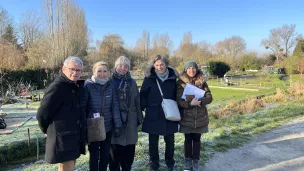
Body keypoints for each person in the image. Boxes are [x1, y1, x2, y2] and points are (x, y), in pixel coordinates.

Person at [36, 56, 86, 171]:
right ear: (63, 69)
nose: (75, 72)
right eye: (72, 69)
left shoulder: (74, 85)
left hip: (72, 136)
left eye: (78, 70)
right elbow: (42, 114)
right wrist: (45, 130)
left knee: (70, 165)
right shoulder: (57, 87)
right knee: (67, 167)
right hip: (62, 138)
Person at [140, 55, 179, 171]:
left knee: (170, 141)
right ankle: (154, 164)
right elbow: (143, 95)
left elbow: (177, 95)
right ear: (153, 66)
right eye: (156, 65)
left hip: (169, 113)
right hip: (153, 113)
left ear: (166, 65)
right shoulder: (149, 78)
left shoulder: (173, 78)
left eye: (162, 64)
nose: (159, 67)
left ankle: (170, 162)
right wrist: (144, 108)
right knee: (153, 142)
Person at [82, 61, 122, 171]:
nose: (102, 74)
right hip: (93, 126)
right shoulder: (88, 86)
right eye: (99, 71)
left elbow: (115, 106)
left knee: (105, 155)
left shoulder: (111, 86)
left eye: (105, 71)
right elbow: (83, 107)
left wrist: (117, 124)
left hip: (107, 126)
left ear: (109, 72)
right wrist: (85, 124)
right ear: (94, 72)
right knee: (94, 155)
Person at [176, 60, 213, 171]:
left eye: (193, 68)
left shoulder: (202, 82)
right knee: (188, 139)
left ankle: (196, 161)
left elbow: (209, 97)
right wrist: (189, 104)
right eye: (189, 68)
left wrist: (200, 101)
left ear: (196, 70)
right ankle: (188, 161)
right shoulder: (180, 83)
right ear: (185, 70)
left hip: (200, 116)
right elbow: (179, 100)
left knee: (197, 139)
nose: (191, 70)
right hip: (187, 116)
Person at [109, 56, 143, 171]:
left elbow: (137, 100)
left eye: (126, 66)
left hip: (131, 121)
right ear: (115, 67)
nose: (123, 68)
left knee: (128, 156)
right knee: (114, 155)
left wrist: (139, 118)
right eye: (120, 65)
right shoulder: (110, 81)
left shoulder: (132, 82)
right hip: (115, 120)